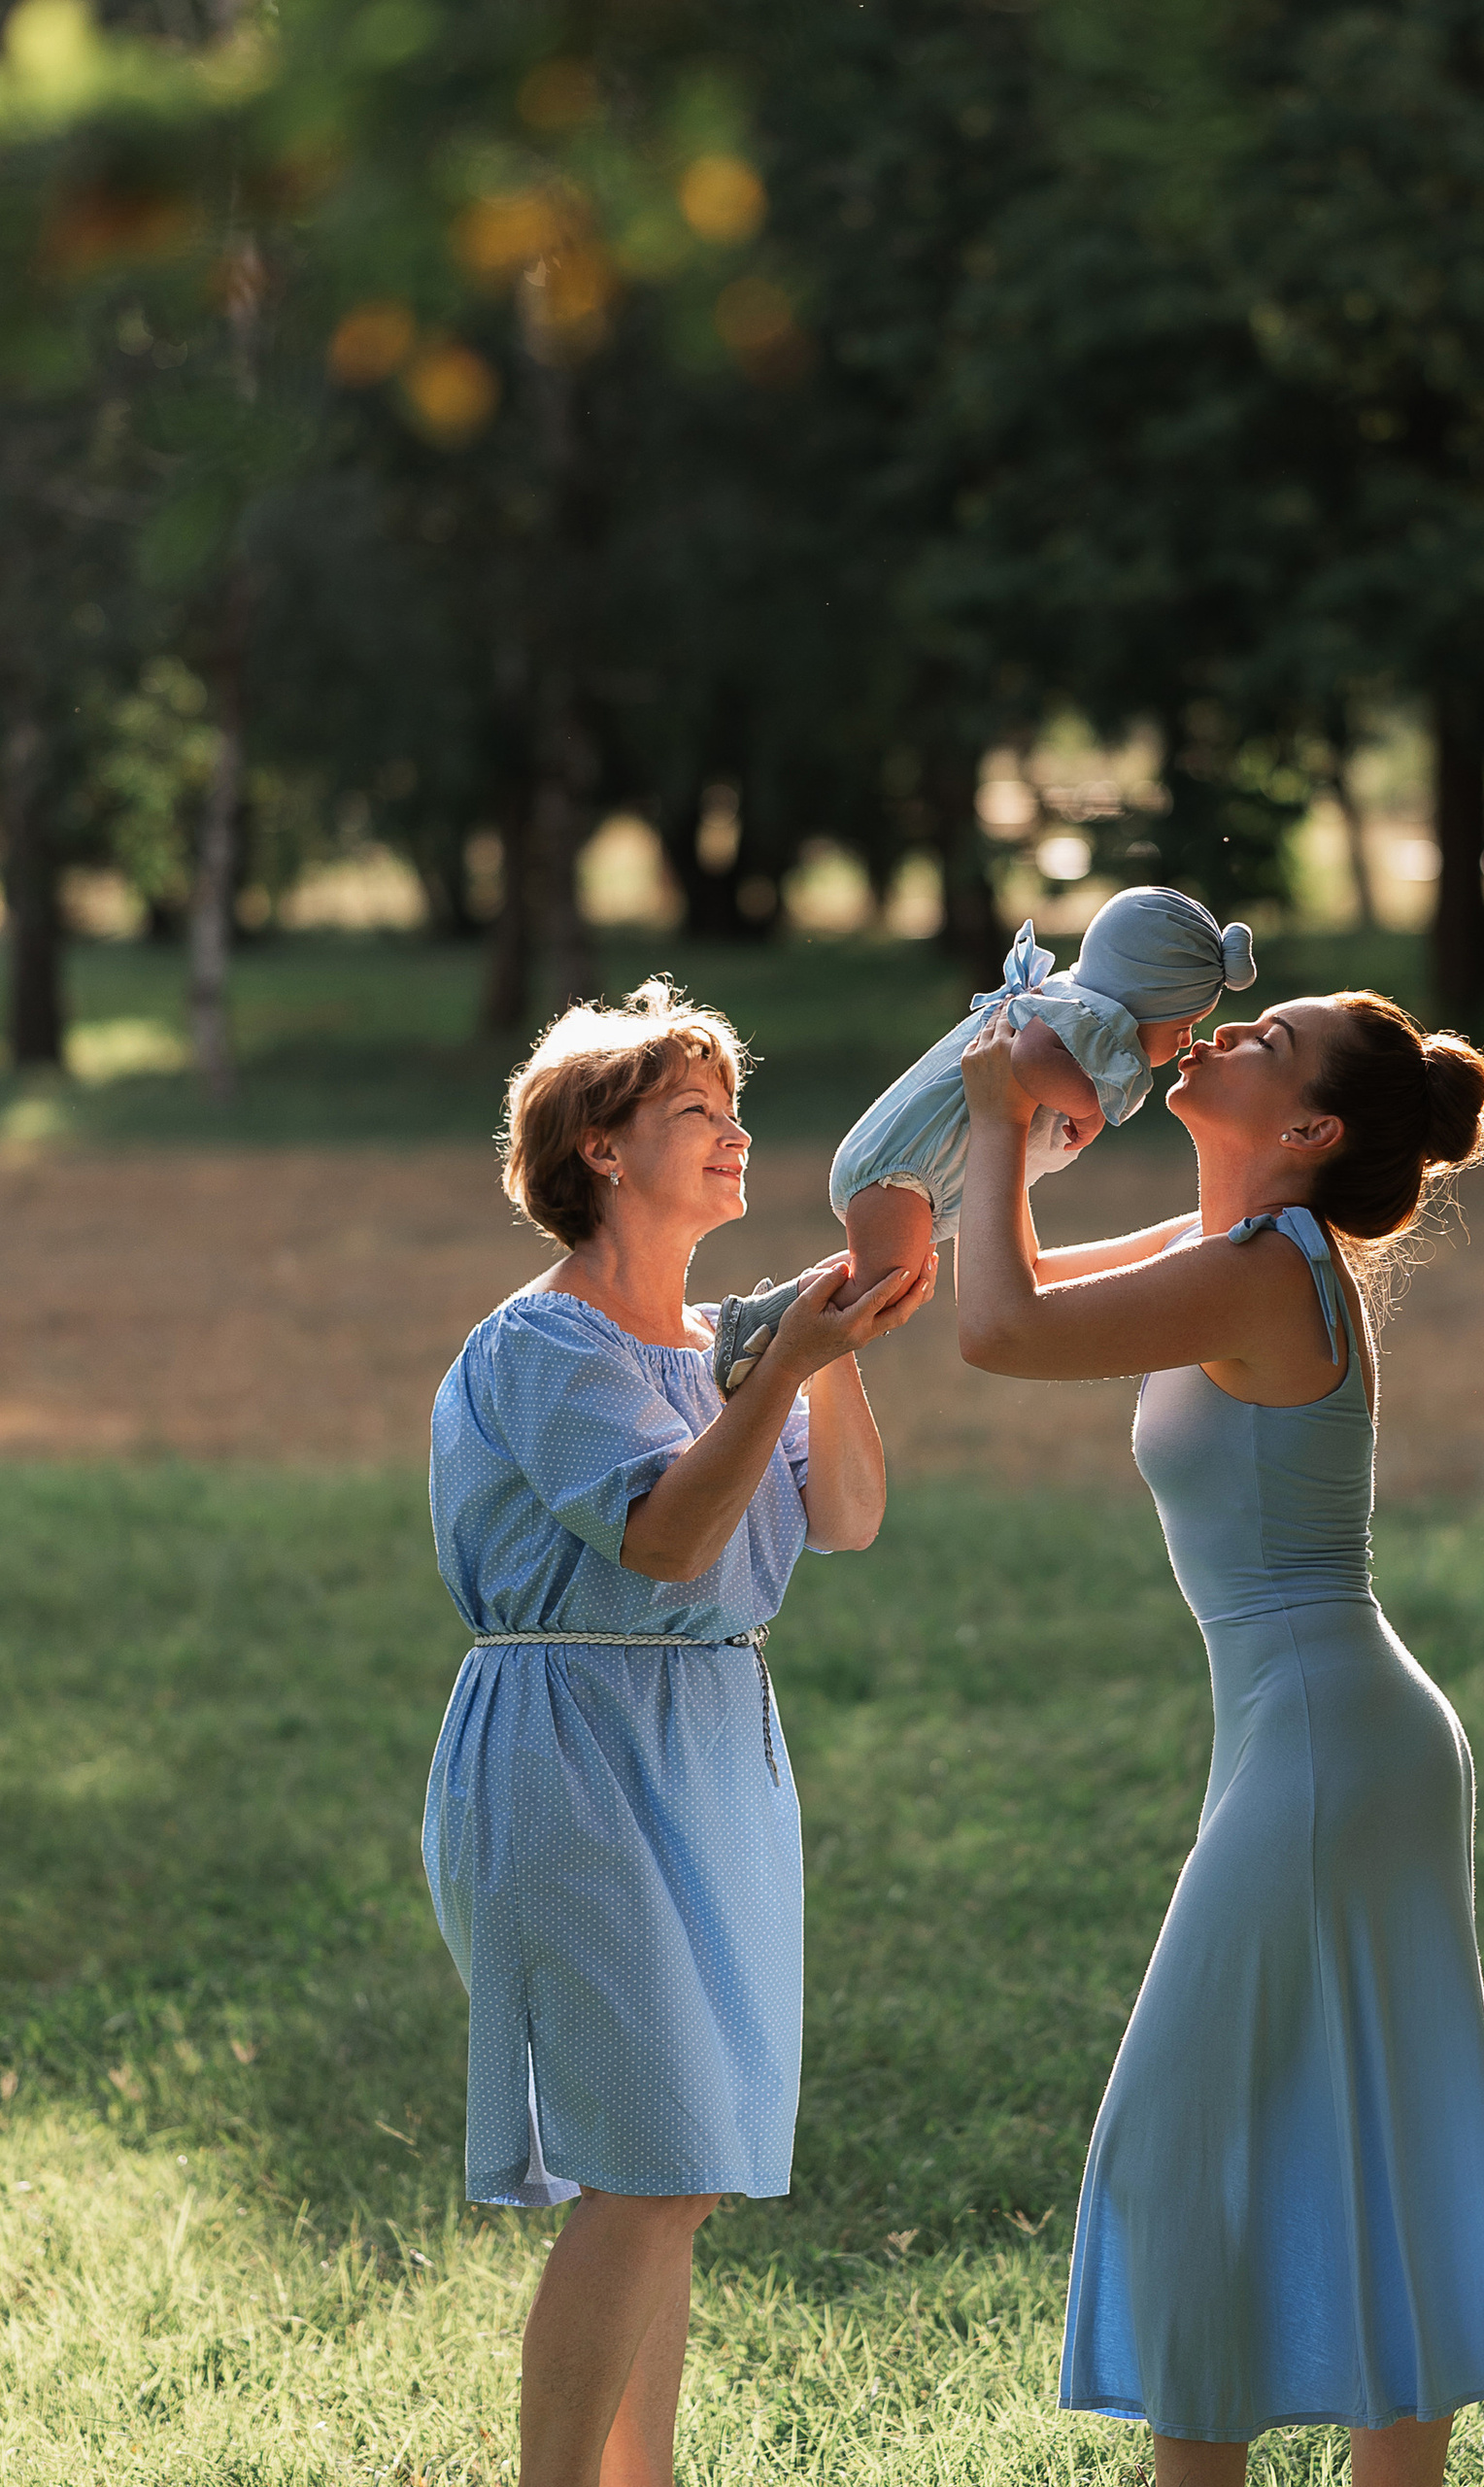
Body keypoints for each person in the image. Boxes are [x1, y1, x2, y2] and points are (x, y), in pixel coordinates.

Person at [954, 990, 1484, 2487]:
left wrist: (988, 1114)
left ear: (1308, 1132)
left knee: (1177, 2146)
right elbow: (1002, 1273)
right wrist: (1016, 1134)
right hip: (1320, 1734)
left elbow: (1000, 1328)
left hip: (1328, 1748)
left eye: (1265, 1044)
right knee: (1361, 2142)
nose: (1222, 1037)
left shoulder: (1259, 1279)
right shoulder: (1232, 1255)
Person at [422, 977, 934, 2487]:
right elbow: (660, 1540)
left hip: (713, 1747)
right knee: (642, 2173)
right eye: (694, 1114)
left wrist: (819, 1355)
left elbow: (842, 1519)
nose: (736, 1136)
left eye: (734, 1110)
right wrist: (776, 1367)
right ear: (597, 1148)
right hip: (568, 1743)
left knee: (679, 2170)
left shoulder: (727, 1335)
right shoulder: (540, 1348)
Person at [704, 887, 1255, 1393]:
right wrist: (1087, 1103)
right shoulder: (1074, 1014)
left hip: (928, 1172)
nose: (1187, 1040)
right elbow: (1030, 1059)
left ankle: (768, 1332)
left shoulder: (1077, 1012)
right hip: (905, 1163)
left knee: (887, 1278)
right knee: (881, 1283)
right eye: (1183, 1024)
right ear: (1147, 999)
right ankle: (759, 1326)